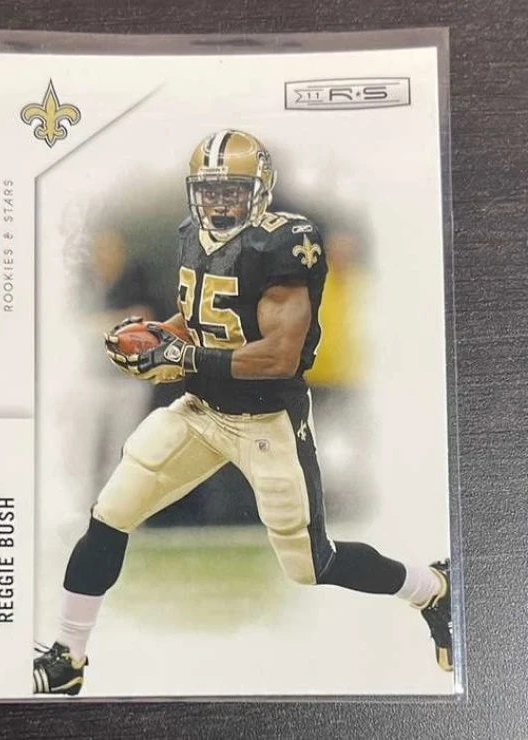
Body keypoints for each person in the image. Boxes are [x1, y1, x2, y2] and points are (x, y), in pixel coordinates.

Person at [33, 130, 453, 696]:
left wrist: (182, 357)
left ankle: (432, 588)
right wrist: (157, 334)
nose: (219, 202)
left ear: (260, 189)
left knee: (311, 565)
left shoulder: (286, 245)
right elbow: (199, 318)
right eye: (209, 191)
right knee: (110, 514)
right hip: (201, 411)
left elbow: (279, 356)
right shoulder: (191, 235)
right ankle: (69, 655)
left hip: (267, 422)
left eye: (232, 190)